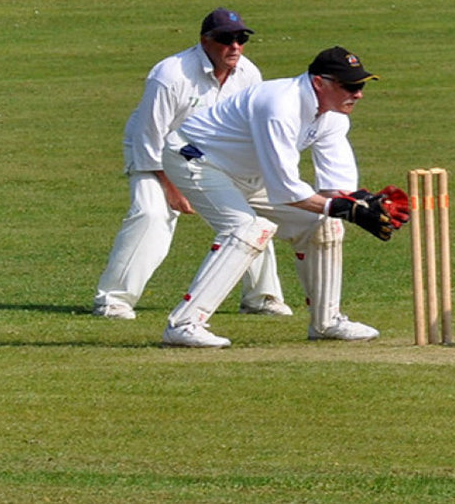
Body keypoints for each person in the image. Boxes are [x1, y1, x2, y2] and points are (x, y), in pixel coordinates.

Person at [158, 46, 410, 348]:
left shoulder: (334, 116)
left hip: (250, 173)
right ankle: (184, 324)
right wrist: (344, 208)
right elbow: (286, 189)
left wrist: (363, 204)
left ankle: (326, 322)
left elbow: (336, 188)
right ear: (319, 82)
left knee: (323, 224)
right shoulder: (280, 106)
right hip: (197, 159)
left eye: (361, 86)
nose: (358, 94)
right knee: (248, 229)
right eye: (349, 86)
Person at [92, 8, 291, 320]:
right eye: (225, 39)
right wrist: (171, 188)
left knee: (249, 218)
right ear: (204, 40)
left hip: (215, 157)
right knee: (152, 213)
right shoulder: (170, 75)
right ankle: (112, 301)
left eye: (241, 39)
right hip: (156, 154)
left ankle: (261, 298)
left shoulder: (249, 74)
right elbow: (149, 137)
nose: (235, 46)